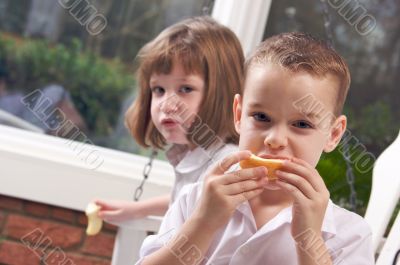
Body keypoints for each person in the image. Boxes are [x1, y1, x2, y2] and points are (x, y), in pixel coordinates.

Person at [136, 32, 374, 264]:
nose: (275, 139)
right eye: (261, 117)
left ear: (332, 134)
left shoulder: (350, 234)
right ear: (239, 115)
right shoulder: (197, 200)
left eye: (302, 124)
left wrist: (309, 241)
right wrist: (203, 223)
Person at [95, 16, 244, 222]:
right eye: (159, 90)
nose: (167, 104)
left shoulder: (228, 166)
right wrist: (138, 209)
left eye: (185, 89)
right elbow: (188, 201)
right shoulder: (194, 153)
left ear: (221, 93)